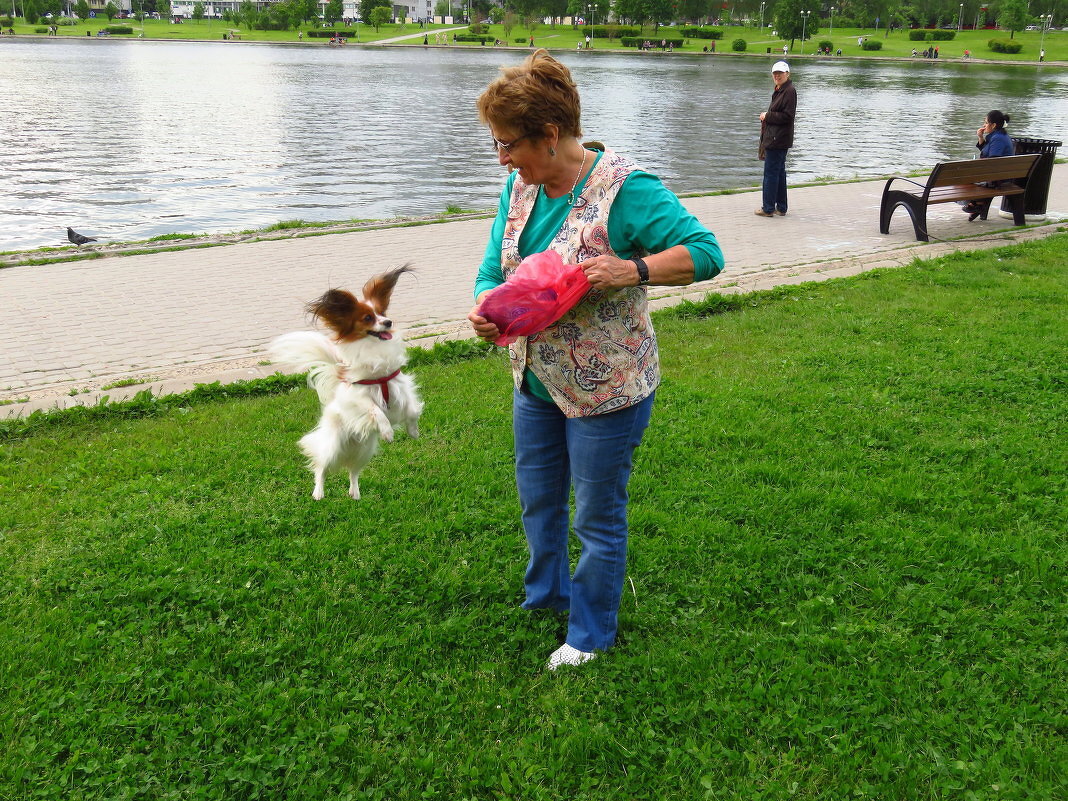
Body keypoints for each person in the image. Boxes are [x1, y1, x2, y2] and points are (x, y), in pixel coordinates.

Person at [468, 49, 724, 670]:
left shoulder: (626, 189)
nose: (501, 159)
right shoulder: (520, 188)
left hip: (606, 388)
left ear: (549, 136)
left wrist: (631, 269)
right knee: (538, 498)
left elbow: (707, 252)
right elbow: (490, 269)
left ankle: (588, 635)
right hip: (534, 380)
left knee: (597, 515)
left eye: (508, 145)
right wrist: (484, 308)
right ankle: (546, 595)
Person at [756, 60, 797, 217]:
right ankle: (781, 206)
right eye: (775, 73)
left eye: (780, 73)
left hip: (777, 139)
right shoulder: (781, 90)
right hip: (777, 137)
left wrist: (767, 115)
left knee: (771, 174)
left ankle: (768, 208)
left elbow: (788, 116)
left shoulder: (789, 91)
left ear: (787, 74)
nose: (777, 76)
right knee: (779, 173)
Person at [962, 110, 1015, 221]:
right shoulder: (999, 135)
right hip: (1001, 175)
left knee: (963, 177)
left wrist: (976, 168)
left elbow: (993, 160)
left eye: (986, 122)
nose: (984, 125)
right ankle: (977, 203)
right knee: (968, 175)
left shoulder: (998, 138)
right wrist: (981, 138)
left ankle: (978, 203)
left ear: (994, 125)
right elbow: (989, 153)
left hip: (998, 178)